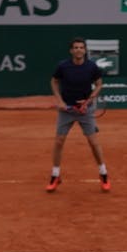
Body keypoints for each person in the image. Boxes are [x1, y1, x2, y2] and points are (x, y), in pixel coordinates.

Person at [47, 38, 110, 193]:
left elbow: (99, 84)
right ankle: (55, 176)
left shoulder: (91, 67)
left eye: (81, 47)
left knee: (93, 142)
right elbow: (54, 81)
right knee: (59, 141)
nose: (78, 50)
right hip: (66, 110)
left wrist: (89, 100)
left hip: (85, 110)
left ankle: (103, 174)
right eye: (75, 47)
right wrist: (60, 101)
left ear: (85, 50)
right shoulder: (63, 66)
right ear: (71, 50)